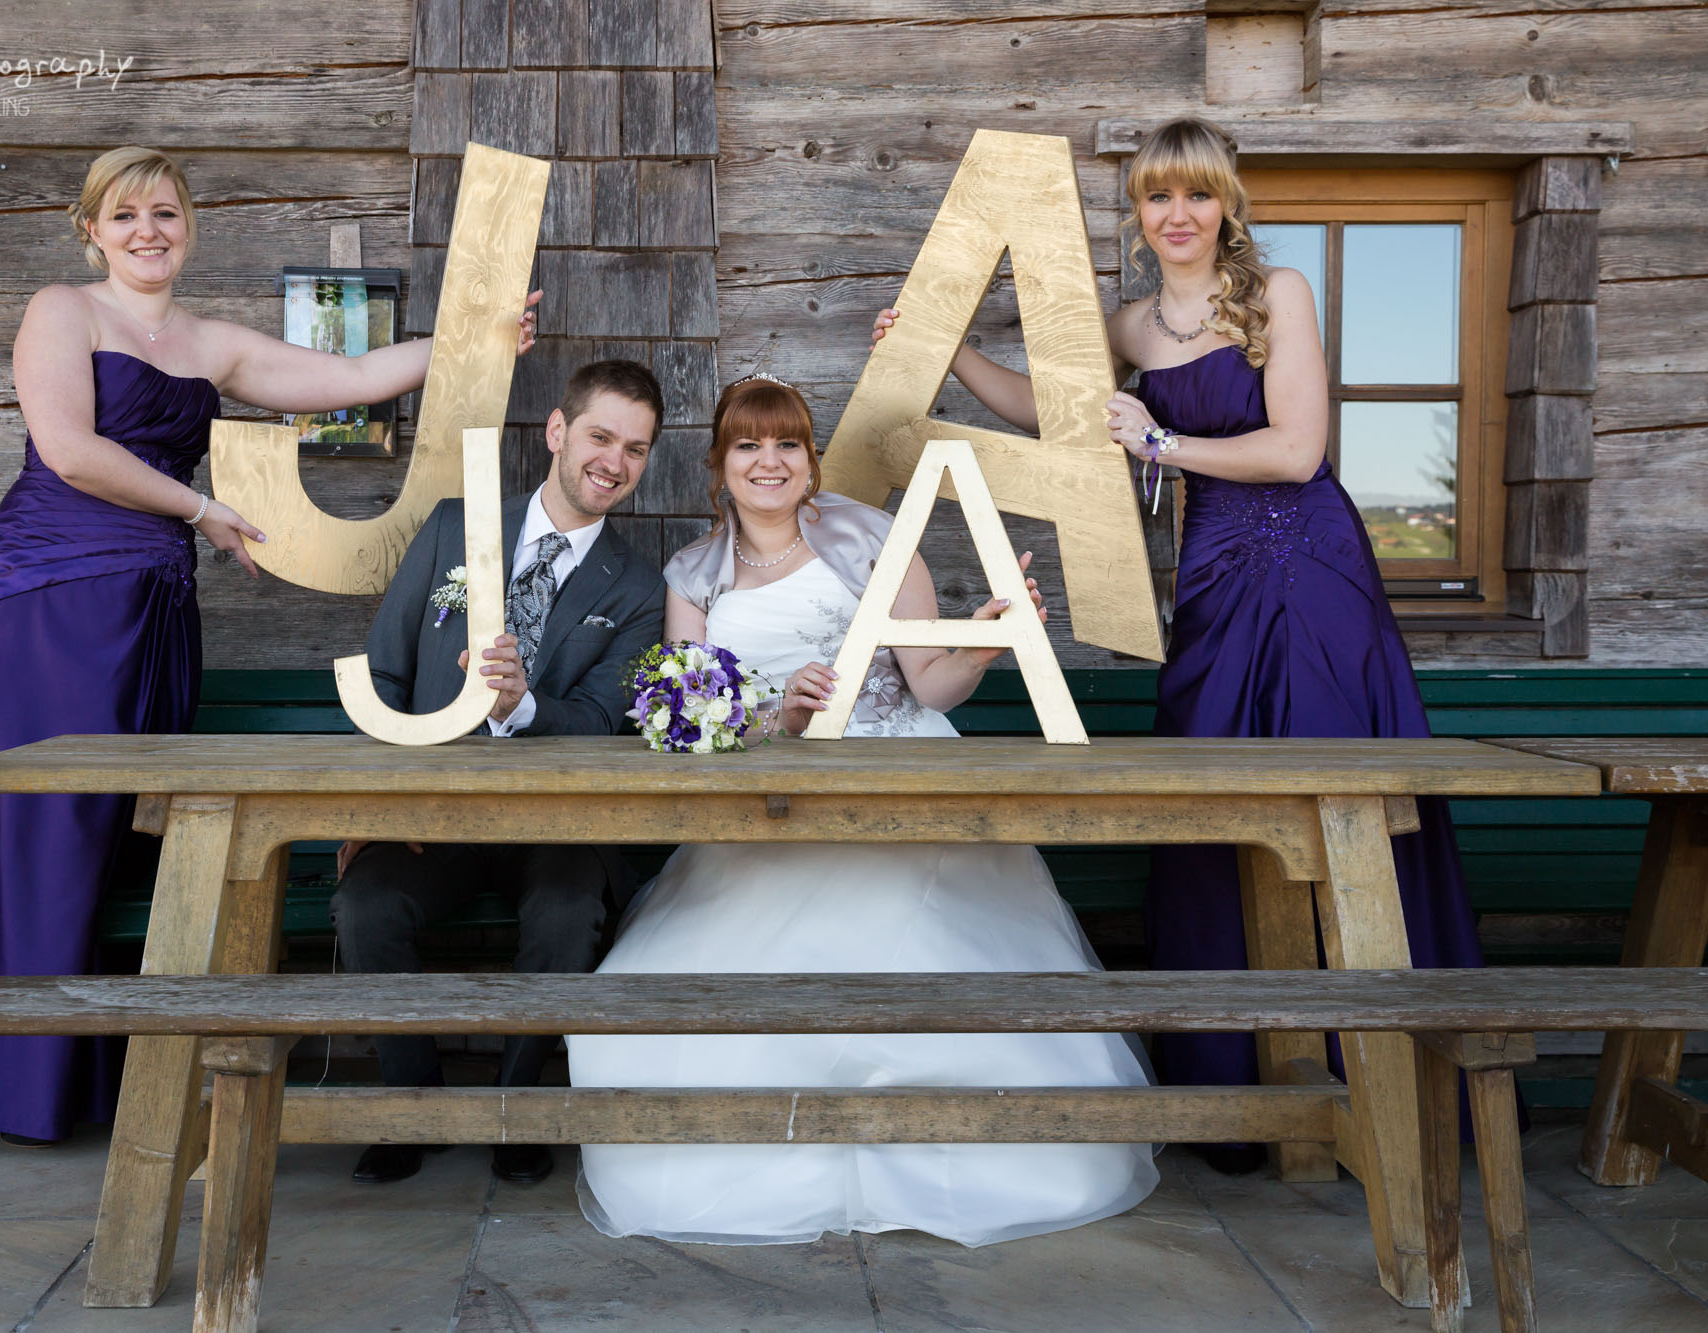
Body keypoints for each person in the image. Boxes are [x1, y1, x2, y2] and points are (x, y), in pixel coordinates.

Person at [0, 146, 539, 1144]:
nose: (147, 231)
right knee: (39, 826)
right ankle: (8, 1082)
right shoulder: (63, 311)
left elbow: (351, 375)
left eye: (165, 214)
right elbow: (70, 452)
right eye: (125, 215)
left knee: (106, 837)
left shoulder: (210, 342)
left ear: (190, 227)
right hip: (45, 598)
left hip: (152, 606)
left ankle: (72, 1076)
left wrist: (475, 340)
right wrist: (200, 508)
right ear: (91, 230)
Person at [872, 116, 1492, 1173]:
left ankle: (1384, 1092)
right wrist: (945, 351)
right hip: (1207, 577)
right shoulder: (1128, 325)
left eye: (1197, 194)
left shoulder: (1277, 295)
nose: (1177, 214)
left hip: (1309, 569)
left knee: (1332, 795)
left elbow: (1297, 451)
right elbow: (1048, 412)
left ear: (1225, 204)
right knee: (1214, 804)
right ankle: (1243, 1094)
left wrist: (1160, 441)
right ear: (1138, 210)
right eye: (1158, 195)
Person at [567, 376, 1159, 1247]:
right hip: (769, 806)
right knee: (658, 1001)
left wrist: (984, 644)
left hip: (898, 777)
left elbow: (931, 683)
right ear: (719, 465)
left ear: (810, 461)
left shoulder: (876, 536)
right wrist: (777, 718)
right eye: (748, 445)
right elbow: (690, 717)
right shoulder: (692, 574)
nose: (769, 462)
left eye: (788, 444)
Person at [331, 359, 668, 1189]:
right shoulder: (455, 526)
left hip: (553, 826)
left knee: (569, 911)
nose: (614, 461)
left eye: (635, 448)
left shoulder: (638, 586)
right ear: (557, 432)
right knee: (365, 905)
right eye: (600, 436)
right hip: (430, 814)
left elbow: (601, 720)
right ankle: (413, 1107)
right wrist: (383, 801)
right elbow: (384, 673)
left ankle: (518, 1110)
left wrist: (524, 705)